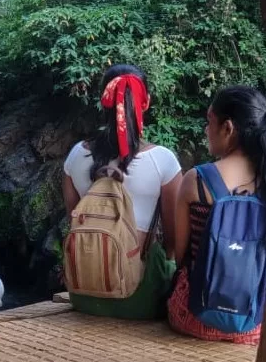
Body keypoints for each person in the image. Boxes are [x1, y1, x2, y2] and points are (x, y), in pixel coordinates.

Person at [63, 63, 182, 319]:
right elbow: (174, 242)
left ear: (104, 101)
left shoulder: (75, 155)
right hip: (138, 298)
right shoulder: (163, 160)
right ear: (146, 102)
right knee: (168, 260)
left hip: (83, 293)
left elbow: (74, 220)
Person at [168, 85, 266, 344]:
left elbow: (181, 257)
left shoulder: (196, 180)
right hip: (255, 323)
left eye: (209, 121)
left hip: (193, 317)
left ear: (228, 128)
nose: (205, 130)